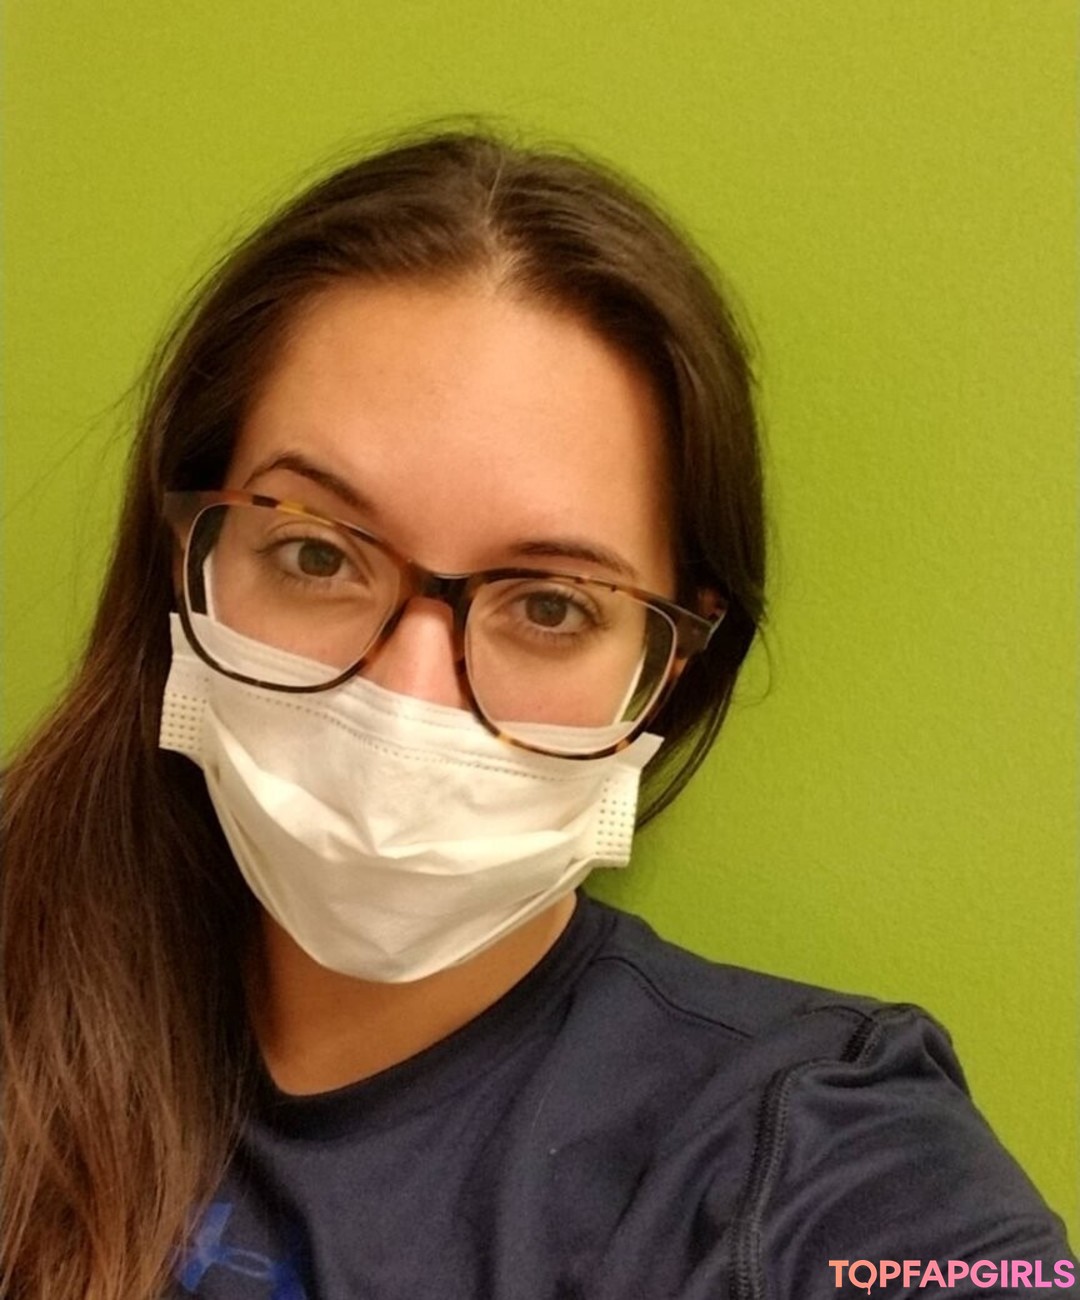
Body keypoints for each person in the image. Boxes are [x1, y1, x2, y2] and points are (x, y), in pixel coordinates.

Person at [1, 129, 1074, 1300]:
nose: (408, 696)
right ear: (187, 564)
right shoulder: (31, 988)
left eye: (551, 606)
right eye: (315, 553)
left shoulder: (808, 1150)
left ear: (665, 670)